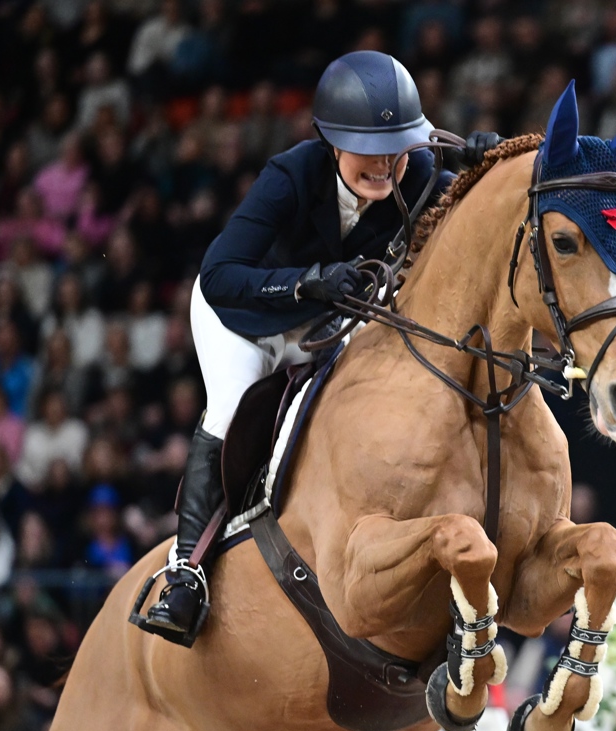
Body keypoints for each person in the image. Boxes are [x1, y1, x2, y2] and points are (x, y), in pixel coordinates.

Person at [138, 51, 502, 643]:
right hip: (245, 318)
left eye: (396, 148)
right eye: (367, 148)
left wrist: (488, 166)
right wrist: (305, 282)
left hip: (329, 322)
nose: (383, 164)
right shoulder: (290, 175)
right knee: (231, 409)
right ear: (332, 143)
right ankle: (186, 575)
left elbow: (481, 210)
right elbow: (220, 274)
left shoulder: (420, 176)